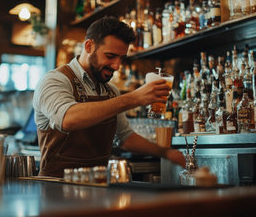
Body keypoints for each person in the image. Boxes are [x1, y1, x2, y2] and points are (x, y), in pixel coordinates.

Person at [33, 17, 186, 178]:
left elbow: (125, 137)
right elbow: (67, 118)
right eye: (110, 56)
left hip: (97, 187)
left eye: (121, 58)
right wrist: (134, 98)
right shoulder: (54, 80)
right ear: (89, 46)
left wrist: (166, 153)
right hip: (56, 189)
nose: (116, 66)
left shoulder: (110, 91)